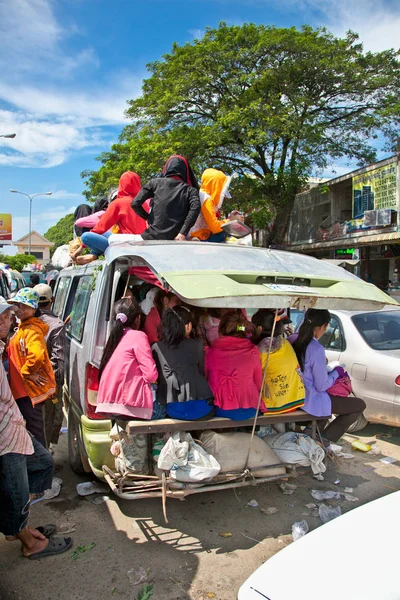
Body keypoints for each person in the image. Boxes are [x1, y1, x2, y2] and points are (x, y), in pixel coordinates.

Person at [0, 299, 72, 559]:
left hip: (15, 422)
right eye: (8, 314)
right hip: (5, 435)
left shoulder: (25, 331)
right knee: (16, 492)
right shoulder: (25, 330)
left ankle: (17, 527)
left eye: (13, 312)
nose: (12, 317)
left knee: (42, 462)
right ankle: (28, 541)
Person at [292, 308, 366, 442]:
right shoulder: (316, 348)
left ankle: (313, 431)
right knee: (359, 405)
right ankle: (325, 439)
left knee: (328, 400)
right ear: (323, 326)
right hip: (308, 400)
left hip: (293, 394)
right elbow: (321, 385)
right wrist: (335, 373)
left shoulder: (292, 339)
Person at [7, 289, 56, 447]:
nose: (20, 309)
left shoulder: (32, 329)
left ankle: (43, 467)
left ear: (34, 309)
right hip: (21, 390)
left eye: (25, 306)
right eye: (18, 305)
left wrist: (26, 372)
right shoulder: (23, 327)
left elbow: (36, 355)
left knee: (35, 434)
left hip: (27, 391)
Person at [96, 298, 158, 419]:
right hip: (132, 406)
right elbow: (151, 376)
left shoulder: (113, 338)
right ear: (138, 318)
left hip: (108, 404)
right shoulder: (138, 336)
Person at [72, 172, 148, 265]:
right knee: (105, 234)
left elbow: (100, 227)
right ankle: (94, 254)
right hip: (143, 243)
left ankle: (94, 254)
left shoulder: (118, 203)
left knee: (85, 237)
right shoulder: (145, 203)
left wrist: (81, 248)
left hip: (125, 246)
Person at [152, 306, 214, 419]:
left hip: (174, 409)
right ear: (189, 326)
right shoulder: (197, 345)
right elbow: (201, 373)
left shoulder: (156, 347)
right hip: (203, 408)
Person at [206, 311, 263, 419]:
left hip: (220, 408)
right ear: (243, 329)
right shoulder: (252, 351)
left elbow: (207, 379)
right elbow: (259, 383)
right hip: (250, 409)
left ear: (221, 329)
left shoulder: (211, 352)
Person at [131, 155, 201, 241]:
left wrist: (148, 218)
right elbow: (195, 208)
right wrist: (183, 232)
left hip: (151, 237)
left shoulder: (154, 183)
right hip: (176, 239)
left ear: (167, 168)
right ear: (185, 170)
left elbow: (135, 203)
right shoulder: (190, 190)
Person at [252, 310, 305, 414]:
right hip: (296, 399)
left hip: (275, 405)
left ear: (259, 329)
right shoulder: (286, 343)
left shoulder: (260, 351)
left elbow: (254, 378)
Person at [33, 284, 65, 451]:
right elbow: (58, 361)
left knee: (35, 422)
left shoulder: (27, 321)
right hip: (48, 383)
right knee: (49, 420)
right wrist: (57, 386)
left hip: (28, 384)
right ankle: (44, 461)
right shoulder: (56, 325)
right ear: (52, 300)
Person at [189, 168, 240, 242]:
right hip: (200, 237)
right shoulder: (207, 200)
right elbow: (215, 227)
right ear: (217, 186)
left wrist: (229, 218)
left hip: (198, 235)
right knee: (227, 233)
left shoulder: (202, 196)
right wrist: (231, 220)